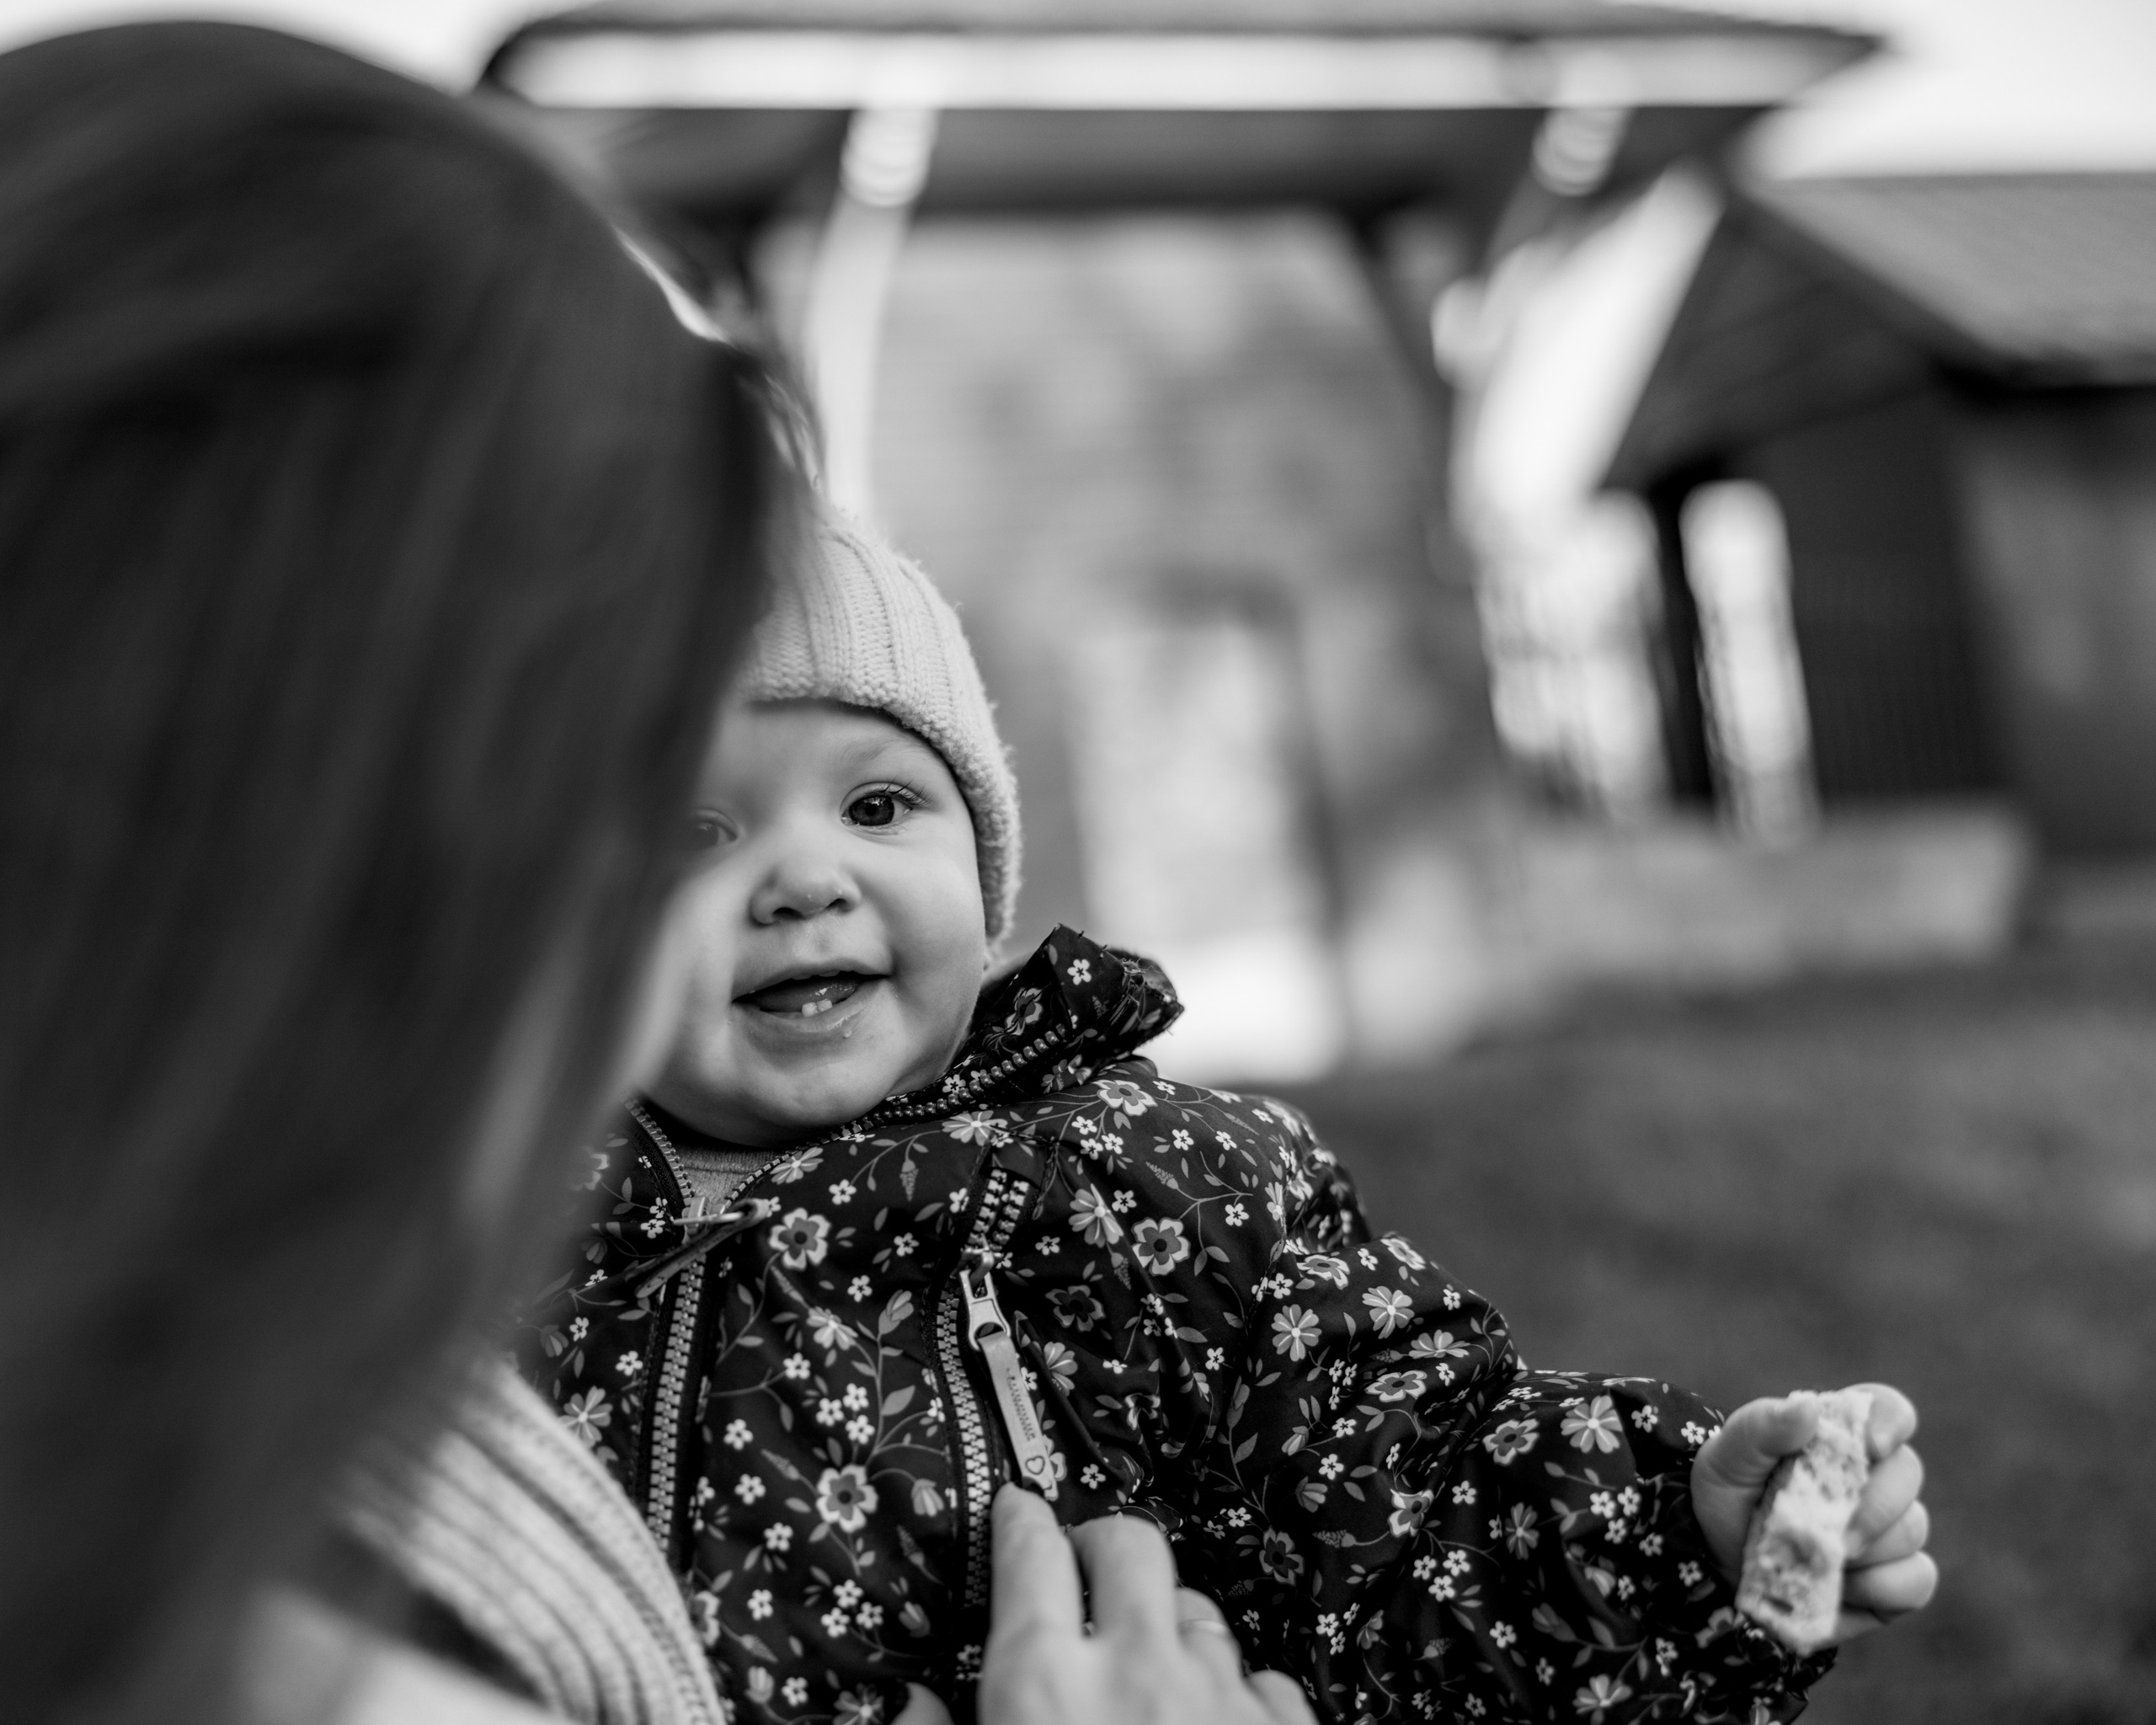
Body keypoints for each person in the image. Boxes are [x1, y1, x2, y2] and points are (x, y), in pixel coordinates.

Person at [0, 22, 1311, 1725]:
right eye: (654, 812)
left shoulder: (1155, 1173)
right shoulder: (326, 1591)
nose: (758, 898)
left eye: (881, 805)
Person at [520, 514, 1938, 1725]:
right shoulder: (476, 1234)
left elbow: (1401, 1509)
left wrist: (1668, 1534)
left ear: (984, 861)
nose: (802, 880)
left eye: (879, 803)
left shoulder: (1153, 1187)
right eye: (693, 836)